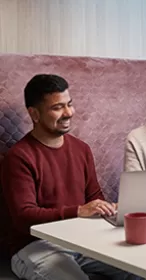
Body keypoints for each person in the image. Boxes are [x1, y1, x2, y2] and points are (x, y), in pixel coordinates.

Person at [0, 74, 138, 280]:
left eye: (69, 104)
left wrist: (109, 208)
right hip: (33, 247)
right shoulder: (19, 157)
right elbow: (24, 217)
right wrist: (79, 211)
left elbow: (94, 198)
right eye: (57, 107)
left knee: (140, 271)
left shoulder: (81, 149)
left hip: (80, 241)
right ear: (34, 114)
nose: (68, 113)